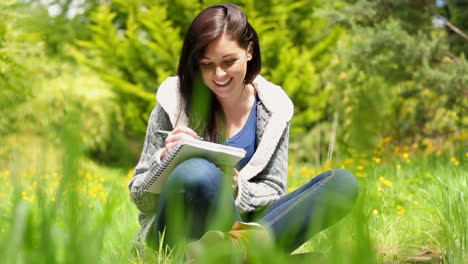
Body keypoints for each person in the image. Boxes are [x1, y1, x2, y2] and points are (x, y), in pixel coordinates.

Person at [128, 3, 359, 259]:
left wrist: (237, 187)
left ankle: (230, 252)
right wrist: (165, 161)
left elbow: (272, 191)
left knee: (341, 183)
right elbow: (139, 196)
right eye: (207, 64)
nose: (219, 74)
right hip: (177, 232)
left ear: (249, 51)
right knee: (197, 172)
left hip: (239, 221)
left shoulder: (273, 109)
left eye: (229, 62)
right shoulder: (174, 99)